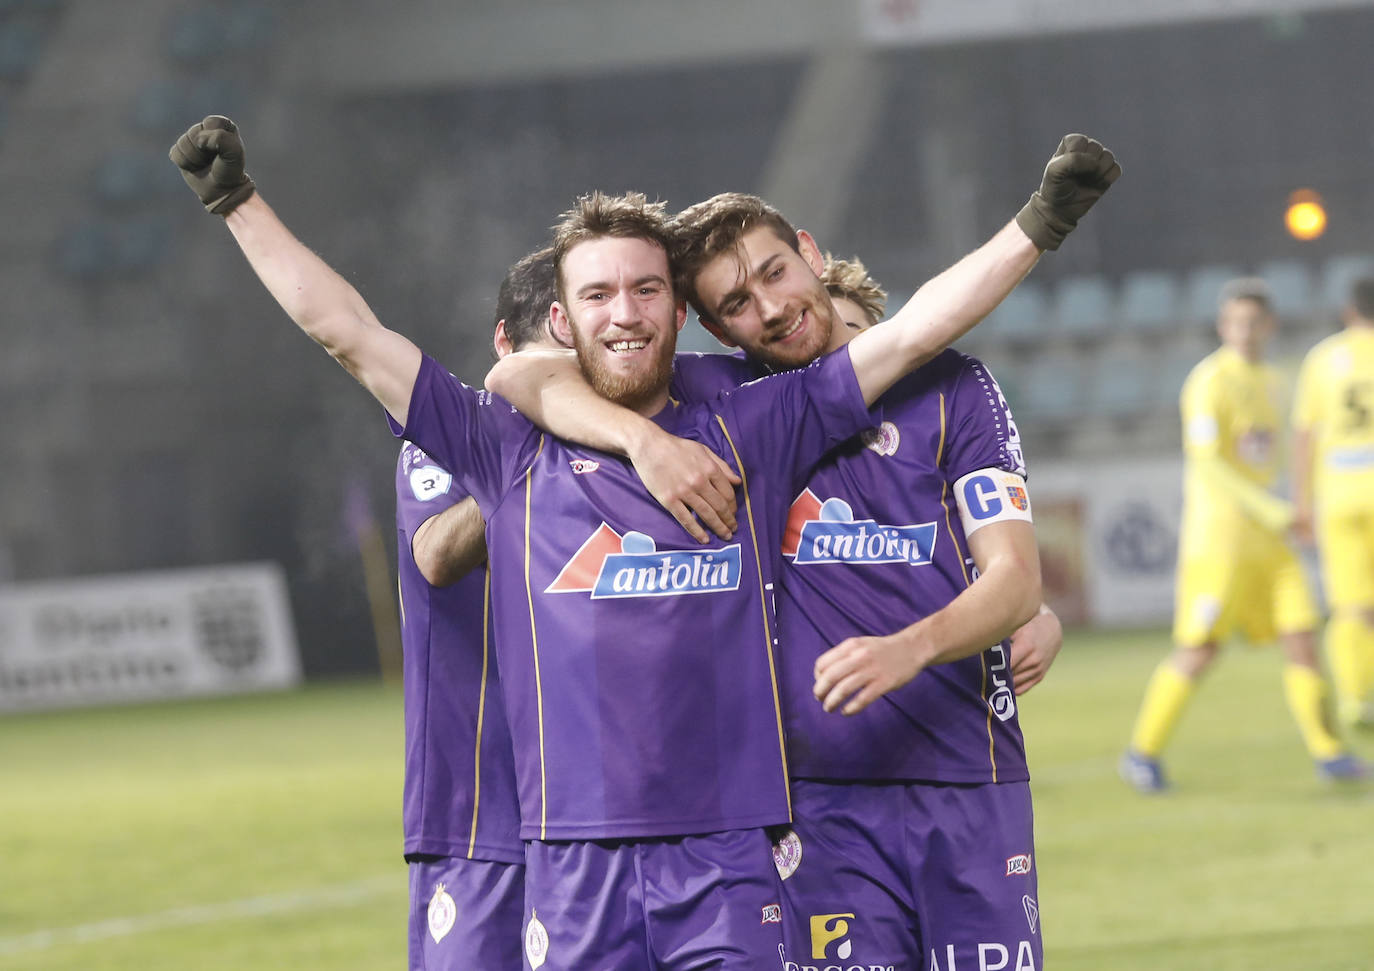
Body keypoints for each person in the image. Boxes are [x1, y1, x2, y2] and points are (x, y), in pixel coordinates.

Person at [172, 116, 1111, 969]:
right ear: (562, 322)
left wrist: (1041, 220)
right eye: (600, 294)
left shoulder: (752, 424)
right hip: (572, 861)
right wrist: (237, 202)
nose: (625, 311)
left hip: (736, 858)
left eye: (647, 289)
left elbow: (912, 336)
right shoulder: (506, 445)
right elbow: (348, 332)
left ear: (676, 313)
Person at [489, 138, 1118, 968]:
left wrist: (1044, 220)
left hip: (969, 770)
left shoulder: (955, 388)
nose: (770, 308)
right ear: (709, 327)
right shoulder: (726, 402)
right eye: (736, 303)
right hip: (812, 801)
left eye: (775, 274)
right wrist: (642, 439)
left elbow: (1010, 568)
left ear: (811, 255)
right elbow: (523, 377)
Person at [1121, 278, 1364, 793]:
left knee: (1302, 641)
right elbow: (1207, 460)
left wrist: (1288, 510)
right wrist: (1271, 510)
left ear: (1269, 326)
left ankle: (1330, 754)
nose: (1245, 331)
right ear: (1222, 326)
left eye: (1254, 322)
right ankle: (1141, 753)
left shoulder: (1277, 381)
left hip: (1271, 543)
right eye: (1236, 322)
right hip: (1222, 541)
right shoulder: (1209, 380)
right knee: (1201, 649)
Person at [394, 247, 556, 970]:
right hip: (478, 813)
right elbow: (434, 553)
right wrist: (534, 443)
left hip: (610, 819)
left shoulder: (636, 443)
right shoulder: (449, 435)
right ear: (504, 346)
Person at [819, 255, 1066, 694]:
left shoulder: (938, 414)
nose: (843, 354)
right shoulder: (777, 433)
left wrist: (1039, 614)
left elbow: (977, 558)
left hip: (948, 702)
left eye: (854, 334)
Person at [1291, 276, 1374, 729]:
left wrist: (1303, 503)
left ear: (1349, 311)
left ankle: (1355, 699)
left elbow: (1304, 436)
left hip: (1339, 495)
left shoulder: (1323, 358)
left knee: (1350, 606)